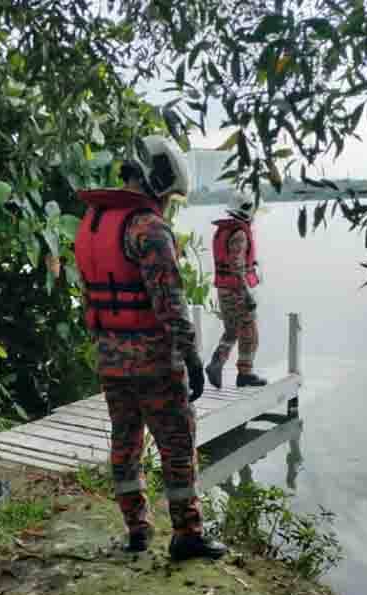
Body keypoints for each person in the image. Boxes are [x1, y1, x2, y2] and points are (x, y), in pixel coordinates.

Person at [74, 135, 226, 561]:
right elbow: (169, 304)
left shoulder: (91, 223)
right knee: (177, 442)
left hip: (109, 357)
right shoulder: (149, 229)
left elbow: (89, 296)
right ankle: (187, 533)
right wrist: (193, 358)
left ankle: (137, 528)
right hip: (153, 361)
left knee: (125, 441)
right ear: (157, 181)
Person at [205, 191, 266, 389]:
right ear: (247, 210)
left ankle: (217, 362)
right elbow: (237, 265)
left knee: (231, 330)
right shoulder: (239, 233)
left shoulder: (224, 231)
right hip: (237, 290)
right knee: (250, 332)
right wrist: (247, 294)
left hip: (223, 288)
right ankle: (245, 374)